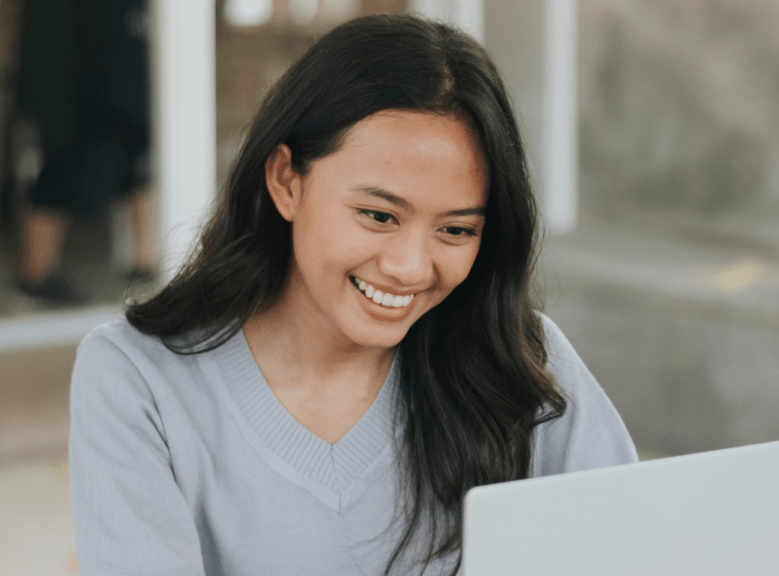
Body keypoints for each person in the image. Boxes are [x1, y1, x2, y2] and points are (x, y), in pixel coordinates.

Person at [68, 14, 637, 576]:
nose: (410, 267)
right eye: (378, 215)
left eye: (457, 230)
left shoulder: (523, 359)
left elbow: (639, 548)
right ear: (287, 181)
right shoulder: (135, 379)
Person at [16, 0, 156, 304]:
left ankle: (147, 260)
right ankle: (36, 271)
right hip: (77, 77)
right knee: (61, 160)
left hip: (120, 70)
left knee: (140, 158)